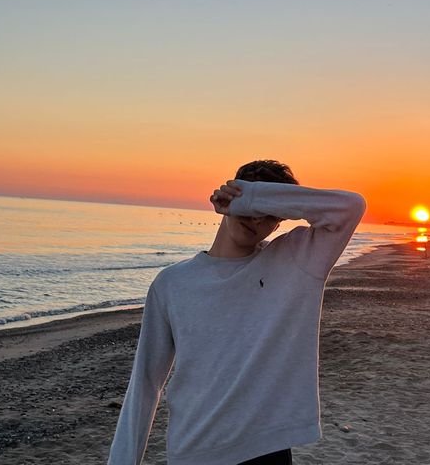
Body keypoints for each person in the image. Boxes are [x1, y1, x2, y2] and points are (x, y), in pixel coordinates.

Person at [107, 159, 366, 465]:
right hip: (191, 449)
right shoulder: (172, 283)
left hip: (264, 449)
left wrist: (255, 197)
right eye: (248, 205)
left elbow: (350, 206)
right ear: (232, 195)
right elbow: (146, 382)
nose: (256, 218)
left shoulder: (295, 262)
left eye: (269, 214)